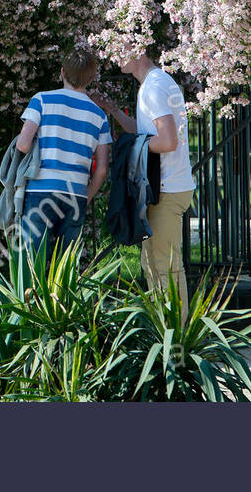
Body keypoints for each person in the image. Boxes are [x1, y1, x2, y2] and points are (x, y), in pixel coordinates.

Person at [93, 51, 195, 321]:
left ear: (137, 50)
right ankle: (166, 334)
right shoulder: (156, 83)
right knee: (152, 264)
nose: (115, 56)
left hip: (167, 189)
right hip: (166, 186)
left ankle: (177, 341)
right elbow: (145, 131)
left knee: (165, 267)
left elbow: (167, 141)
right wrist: (114, 111)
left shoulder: (153, 87)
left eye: (120, 48)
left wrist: (131, 146)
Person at [13, 49, 112, 257]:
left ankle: (32, 292)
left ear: (62, 73)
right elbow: (102, 169)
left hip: (41, 190)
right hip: (75, 193)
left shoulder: (42, 100)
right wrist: (85, 195)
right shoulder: (100, 116)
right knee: (66, 266)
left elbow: (22, 145)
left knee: (33, 261)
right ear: (91, 78)